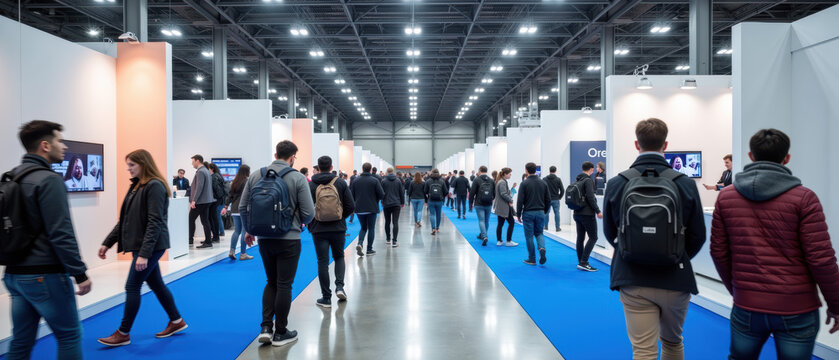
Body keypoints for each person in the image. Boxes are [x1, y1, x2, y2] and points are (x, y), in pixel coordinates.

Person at [710, 129, 839, 359]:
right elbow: (821, 259)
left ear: (751, 156)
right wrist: (836, 304)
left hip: (747, 304)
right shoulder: (804, 198)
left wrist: (739, 291)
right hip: (797, 307)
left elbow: (718, 252)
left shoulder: (726, 197)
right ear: (786, 158)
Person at [602, 118, 705, 360]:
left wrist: (630, 250)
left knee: (643, 351)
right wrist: (675, 254)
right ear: (665, 145)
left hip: (632, 275)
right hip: (675, 277)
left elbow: (610, 232)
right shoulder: (685, 183)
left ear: (636, 144)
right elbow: (698, 235)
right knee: (673, 343)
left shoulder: (617, 183)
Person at [5, 120, 91, 359]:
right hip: (45, 274)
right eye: (60, 141)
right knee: (69, 335)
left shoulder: (12, 177)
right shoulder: (49, 179)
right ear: (45, 145)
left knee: (21, 341)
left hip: (14, 274)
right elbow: (61, 233)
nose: (64, 147)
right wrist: (80, 273)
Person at [97, 149, 186, 346]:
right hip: (143, 245)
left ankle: (123, 333)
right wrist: (107, 242)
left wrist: (144, 254)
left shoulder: (154, 186)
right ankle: (176, 321)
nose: (128, 169)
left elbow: (155, 222)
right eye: (128, 165)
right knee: (156, 284)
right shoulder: (137, 186)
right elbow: (125, 220)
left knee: (132, 286)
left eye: (132, 165)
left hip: (151, 246)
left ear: (143, 164)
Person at [240, 140, 314, 347]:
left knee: (271, 282)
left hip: (264, 239)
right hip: (289, 238)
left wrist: (249, 229)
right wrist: (298, 222)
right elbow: (309, 213)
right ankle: (280, 332)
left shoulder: (256, 175)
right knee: (284, 284)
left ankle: (265, 328)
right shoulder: (298, 178)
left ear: (275, 154)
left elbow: (243, 206)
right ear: (292, 157)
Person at [308, 156, 354, 308]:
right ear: (331, 167)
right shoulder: (340, 183)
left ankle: (326, 298)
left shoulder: (311, 184)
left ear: (318, 167)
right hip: (338, 228)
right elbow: (351, 205)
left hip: (318, 228)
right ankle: (340, 287)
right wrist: (340, 217)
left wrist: (311, 222)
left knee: (322, 261)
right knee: (339, 257)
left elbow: (305, 208)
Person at [516, 162, 551, 265]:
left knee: (529, 236)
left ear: (526, 170)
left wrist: (518, 214)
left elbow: (520, 201)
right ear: (535, 170)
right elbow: (548, 199)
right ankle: (542, 248)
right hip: (540, 212)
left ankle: (532, 259)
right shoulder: (543, 183)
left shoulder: (524, 183)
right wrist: (544, 211)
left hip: (528, 213)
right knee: (539, 233)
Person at [573, 162, 603, 272]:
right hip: (587, 214)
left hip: (577, 213)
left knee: (580, 238)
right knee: (593, 237)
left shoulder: (578, 180)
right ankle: (584, 262)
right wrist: (598, 211)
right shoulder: (588, 180)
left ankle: (580, 261)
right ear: (591, 169)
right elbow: (590, 197)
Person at [352, 162, 384, 256]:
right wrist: (375, 198)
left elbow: (351, 195)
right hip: (371, 208)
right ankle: (369, 249)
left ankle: (360, 243)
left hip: (359, 208)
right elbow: (381, 195)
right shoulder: (374, 181)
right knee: (371, 228)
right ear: (370, 169)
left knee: (363, 228)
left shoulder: (355, 181)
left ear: (362, 169)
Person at [222, 165, 253, 261]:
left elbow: (229, 196)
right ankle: (243, 254)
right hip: (244, 208)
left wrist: (226, 206)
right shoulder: (247, 182)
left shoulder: (234, 182)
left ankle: (232, 251)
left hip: (234, 209)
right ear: (247, 172)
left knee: (236, 231)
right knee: (244, 231)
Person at [189, 154, 215, 248]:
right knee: (205, 221)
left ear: (197, 161)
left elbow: (199, 187)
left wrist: (194, 200)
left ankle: (190, 239)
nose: (192, 164)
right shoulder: (206, 171)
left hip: (201, 201)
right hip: (207, 200)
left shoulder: (200, 172)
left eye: (193, 162)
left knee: (191, 219)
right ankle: (208, 241)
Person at [469, 166, 495, 246]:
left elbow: (472, 193)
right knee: (486, 220)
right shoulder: (491, 180)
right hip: (488, 203)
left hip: (479, 203)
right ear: (486, 171)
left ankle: (484, 236)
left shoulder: (476, 180)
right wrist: (491, 200)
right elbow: (494, 193)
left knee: (481, 220)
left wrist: (470, 204)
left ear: (479, 171)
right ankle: (483, 235)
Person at [494, 168, 518, 247]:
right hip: (504, 207)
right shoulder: (502, 182)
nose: (510, 175)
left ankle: (499, 240)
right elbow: (503, 194)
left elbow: (504, 193)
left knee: (500, 223)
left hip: (501, 206)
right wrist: (510, 200)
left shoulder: (501, 181)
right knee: (511, 222)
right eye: (509, 174)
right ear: (505, 174)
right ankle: (508, 241)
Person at [381, 168, 405, 247]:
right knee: (395, 222)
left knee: (387, 222)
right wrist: (402, 202)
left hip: (386, 204)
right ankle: (394, 241)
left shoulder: (383, 181)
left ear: (387, 172)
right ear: (393, 172)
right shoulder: (398, 181)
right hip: (396, 204)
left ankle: (388, 239)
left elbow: (381, 193)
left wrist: (382, 201)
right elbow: (401, 192)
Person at [424, 169, 447, 235]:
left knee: (432, 214)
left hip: (431, 200)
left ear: (431, 173)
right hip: (439, 200)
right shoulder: (442, 181)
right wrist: (442, 197)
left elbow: (425, 191)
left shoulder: (428, 181)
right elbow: (446, 191)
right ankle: (437, 228)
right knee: (438, 214)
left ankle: (433, 228)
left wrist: (427, 197)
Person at [542, 166, 565, 232]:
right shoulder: (558, 179)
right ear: (555, 171)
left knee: (546, 213)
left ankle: (546, 226)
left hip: (547, 199)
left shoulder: (544, 179)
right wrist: (559, 197)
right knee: (557, 213)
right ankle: (557, 228)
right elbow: (562, 190)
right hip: (556, 199)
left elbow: (542, 189)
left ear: (549, 170)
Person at [209, 163, 226, 241]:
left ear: (212, 169)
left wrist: (214, 197)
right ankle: (218, 234)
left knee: (215, 217)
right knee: (216, 217)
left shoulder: (214, 177)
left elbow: (216, 188)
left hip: (216, 200)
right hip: (220, 199)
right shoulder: (218, 175)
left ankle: (217, 234)